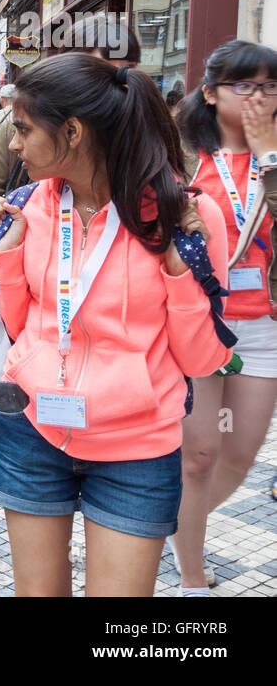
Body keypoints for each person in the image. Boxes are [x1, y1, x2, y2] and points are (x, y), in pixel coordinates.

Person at [0, 54, 231, 597]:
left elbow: (203, 361)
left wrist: (179, 270)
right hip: (32, 430)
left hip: (135, 448)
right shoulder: (28, 206)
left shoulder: (181, 216)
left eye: (22, 128)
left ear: (71, 131)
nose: (13, 145)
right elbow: (24, 330)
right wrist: (9, 252)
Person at [0, 15, 142, 361]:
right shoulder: (20, 132)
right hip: (31, 308)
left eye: (127, 72)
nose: (119, 87)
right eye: (105, 73)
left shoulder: (145, 138)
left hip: (119, 326)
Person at [170, 40, 277, 596]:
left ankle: (163, 523)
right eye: (245, 84)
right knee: (199, 455)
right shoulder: (184, 156)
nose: (258, 96)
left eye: (269, 86)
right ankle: (191, 575)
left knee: (237, 455)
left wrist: (268, 154)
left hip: (263, 326)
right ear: (209, 93)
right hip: (198, 322)